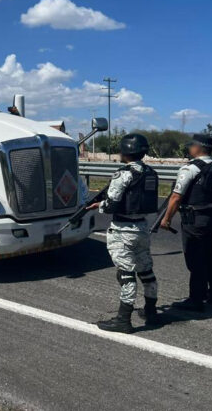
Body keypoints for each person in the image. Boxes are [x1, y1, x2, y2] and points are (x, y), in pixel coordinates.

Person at [87, 133, 160, 333]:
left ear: (126, 151)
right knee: (146, 270)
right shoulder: (151, 172)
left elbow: (111, 204)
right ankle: (151, 312)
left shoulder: (123, 174)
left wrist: (98, 205)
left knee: (126, 275)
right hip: (142, 228)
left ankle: (123, 320)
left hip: (123, 229)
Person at [159, 133, 212, 311]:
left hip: (194, 219)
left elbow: (175, 197)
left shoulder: (191, 168)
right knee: (211, 255)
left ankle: (196, 299)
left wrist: (166, 219)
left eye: (191, 146)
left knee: (195, 258)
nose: (189, 148)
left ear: (198, 147)